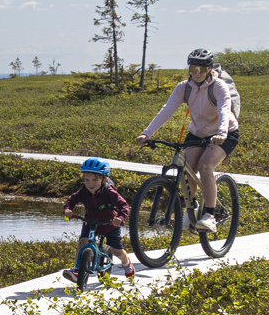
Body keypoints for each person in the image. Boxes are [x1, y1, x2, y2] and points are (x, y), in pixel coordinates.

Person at [137, 49, 238, 234]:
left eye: (201, 68)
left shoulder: (219, 86)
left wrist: (222, 133)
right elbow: (167, 110)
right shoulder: (184, 87)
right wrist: (147, 133)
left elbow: (225, 110)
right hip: (197, 133)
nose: (197, 72)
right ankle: (192, 207)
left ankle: (210, 215)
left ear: (209, 68)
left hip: (224, 133)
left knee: (206, 166)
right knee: (188, 170)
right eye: (193, 68)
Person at [61, 157, 136, 281]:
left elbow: (123, 206)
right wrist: (68, 209)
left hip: (110, 224)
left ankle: (126, 263)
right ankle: (77, 269)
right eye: (87, 180)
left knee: (117, 251)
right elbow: (71, 200)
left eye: (95, 180)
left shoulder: (109, 192)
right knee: (83, 242)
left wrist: (120, 218)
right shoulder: (83, 191)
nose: (90, 184)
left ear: (104, 179)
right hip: (90, 222)